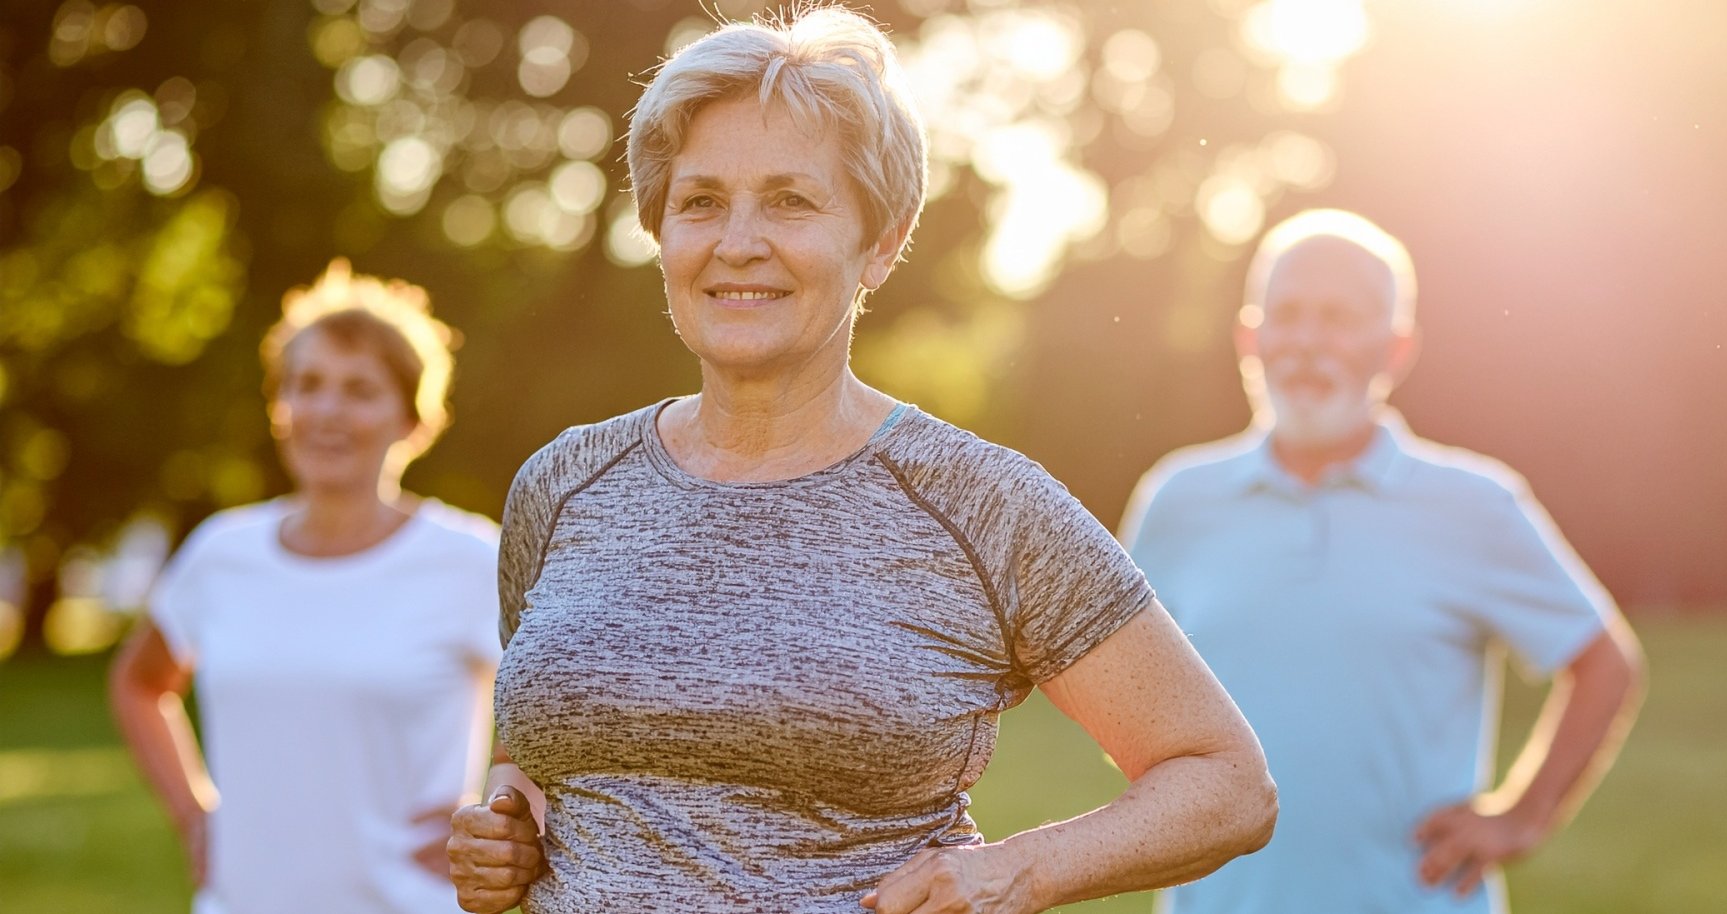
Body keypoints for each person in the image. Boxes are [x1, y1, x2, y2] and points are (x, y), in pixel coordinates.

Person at [444, 8, 1276, 914]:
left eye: (792, 200)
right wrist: (501, 829)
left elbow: (1226, 781)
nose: (738, 242)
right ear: (662, 232)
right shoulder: (563, 486)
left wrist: (1007, 872)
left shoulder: (983, 504)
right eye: (701, 201)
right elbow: (535, 759)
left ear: (881, 241)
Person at [1123, 210, 1648, 914]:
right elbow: (1122, 685)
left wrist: (1524, 815)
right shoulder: (1177, 501)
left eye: (1340, 318)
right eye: (1289, 315)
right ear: (1251, 337)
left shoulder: (1473, 505)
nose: (1309, 343)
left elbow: (1604, 661)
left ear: (1396, 350)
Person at [110, 260, 502, 914]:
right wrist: (194, 815)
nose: (326, 410)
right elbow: (140, 682)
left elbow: (568, 700)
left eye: (359, 389)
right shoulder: (221, 553)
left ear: (414, 421)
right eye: (307, 384)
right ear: (279, 408)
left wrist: (505, 810)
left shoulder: (471, 558)